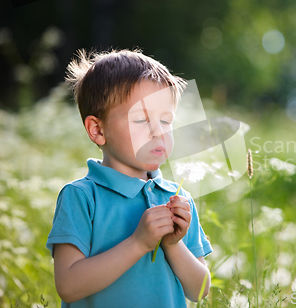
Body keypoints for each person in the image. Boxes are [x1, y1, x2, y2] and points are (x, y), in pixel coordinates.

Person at [45, 49, 212, 307]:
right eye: (141, 119)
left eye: (166, 120)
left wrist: (173, 245)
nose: (158, 131)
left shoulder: (177, 200)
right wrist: (138, 243)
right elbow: (68, 286)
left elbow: (200, 290)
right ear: (97, 130)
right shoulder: (81, 197)